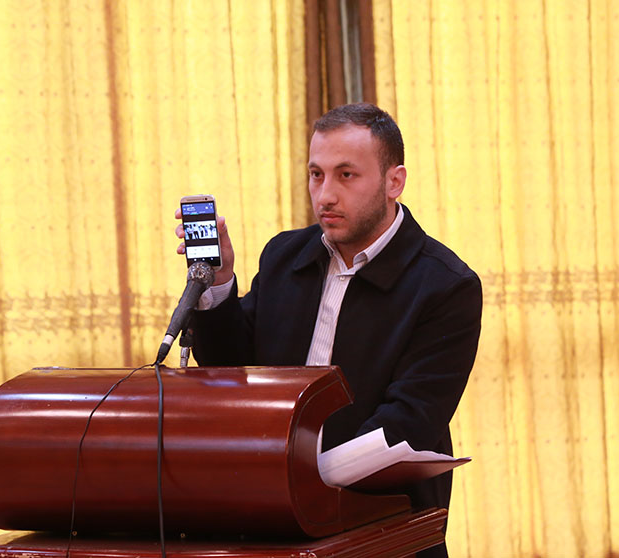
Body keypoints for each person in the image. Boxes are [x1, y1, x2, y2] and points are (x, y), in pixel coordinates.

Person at [174, 103, 482, 558]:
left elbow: (407, 426)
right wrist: (219, 284)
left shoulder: (445, 285)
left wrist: (295, 475)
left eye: (346, 175)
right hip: (272, 520)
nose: (325, 195)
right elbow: (230, 370)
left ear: (394, 182)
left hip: (384, 525)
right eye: (316, 175)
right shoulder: (284, 256)